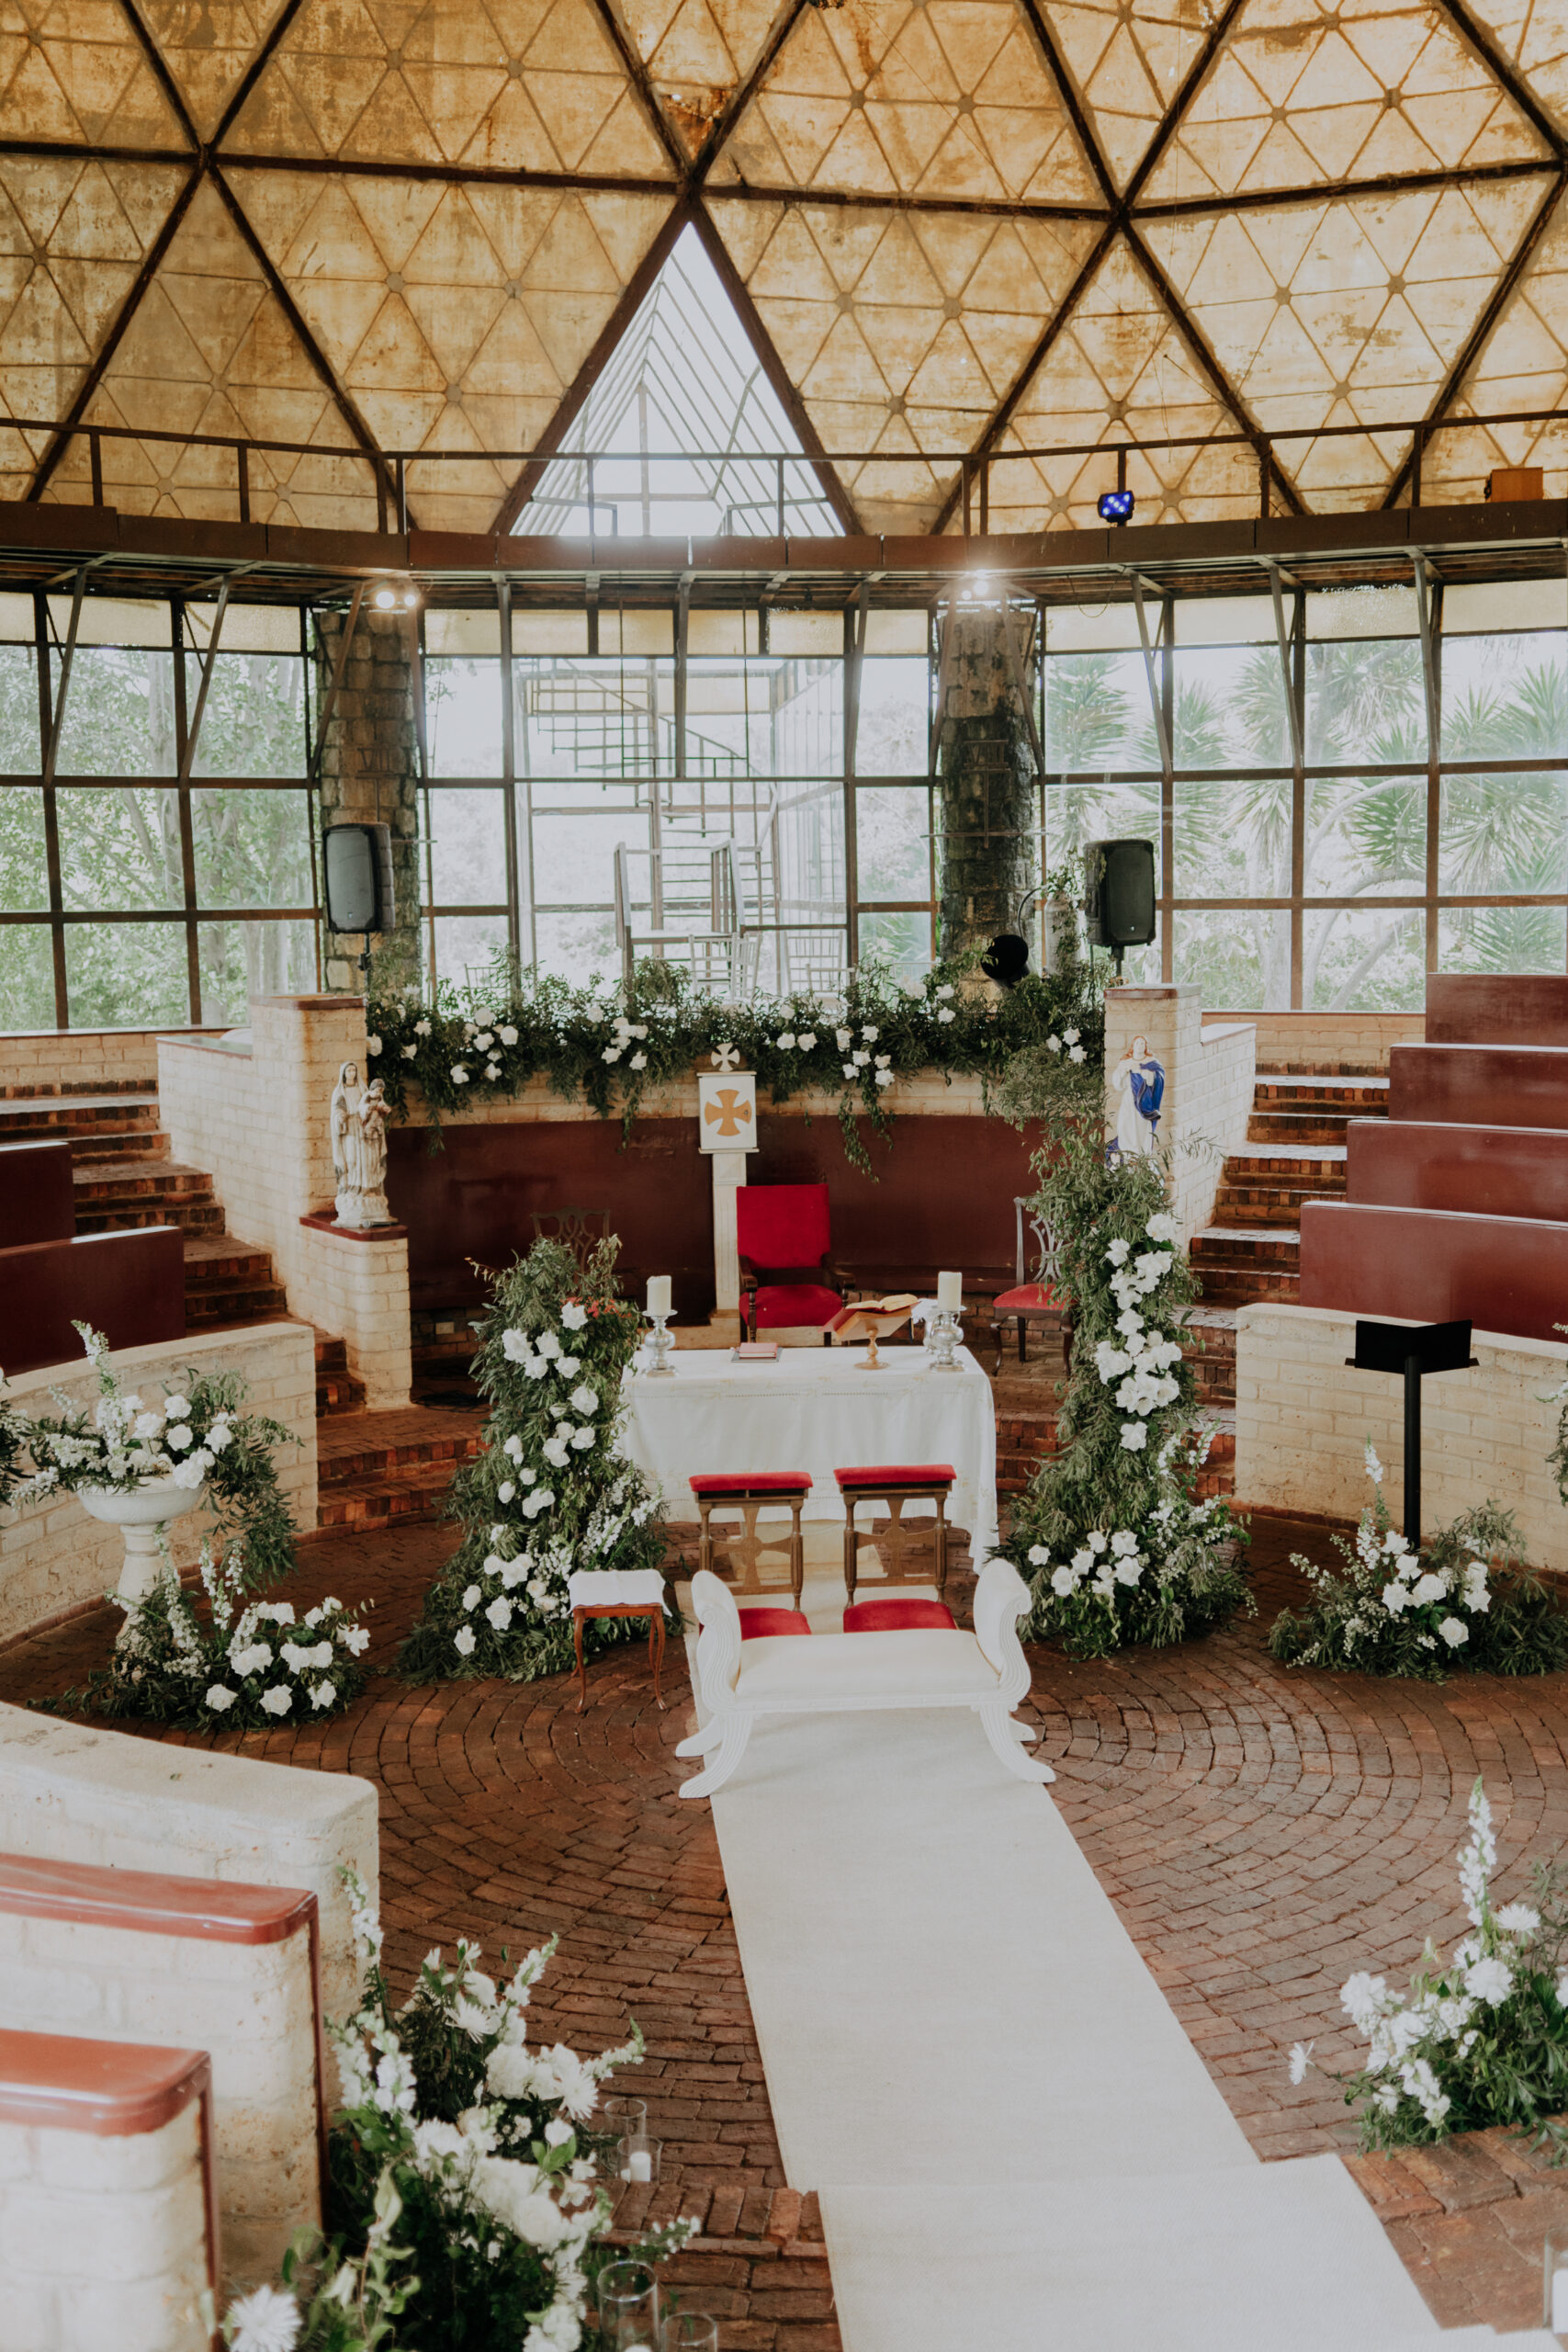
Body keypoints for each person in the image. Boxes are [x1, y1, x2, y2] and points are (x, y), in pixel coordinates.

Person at [1109, 1033, 1164, 1160]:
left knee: (1141, 1127)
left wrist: (1143, 1073)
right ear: (1133, 1045)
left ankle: (1140, 1155)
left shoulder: (1151, 1062)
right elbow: (1117, 1083)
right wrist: (1124, 1071)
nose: (1139, 1046)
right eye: (1137, 1043)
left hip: (1144, 1100)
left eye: (1142, 1043)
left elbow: (1158, 1078)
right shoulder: (1125, 1062)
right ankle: (1127, 1154)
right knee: (1124, 1125)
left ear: (1146, 1046)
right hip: (1129, 1098)